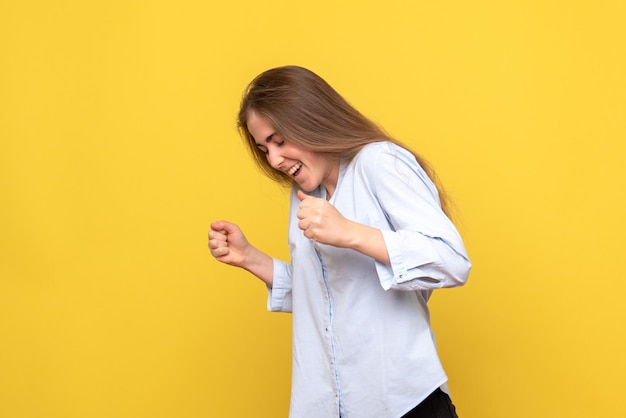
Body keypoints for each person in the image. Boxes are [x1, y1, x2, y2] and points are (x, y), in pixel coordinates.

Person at [208, 65, 471, 418]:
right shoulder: (305, 193)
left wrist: (350, 232)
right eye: (264, 148)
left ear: (312, 120)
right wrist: (251, 258)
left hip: (402, 404)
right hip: (327, 405)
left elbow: (451, 260)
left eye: (279, 141)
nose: (274, 160)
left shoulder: (379, 162)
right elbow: (328, 296)